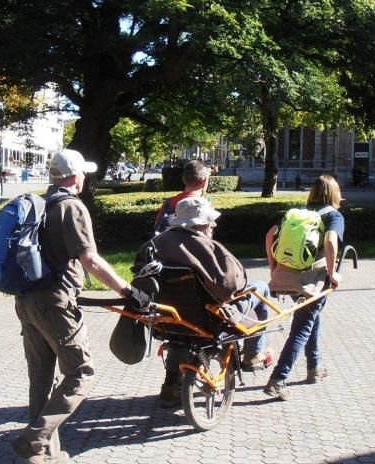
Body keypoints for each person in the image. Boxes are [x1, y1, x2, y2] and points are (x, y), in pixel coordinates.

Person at [11, 149, 141, 464]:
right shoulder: (71, 207)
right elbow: (91, 260)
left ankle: (41, 455)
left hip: (26, 300)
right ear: (74, 176)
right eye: (83, 172)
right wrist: (126, 289)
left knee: (41, 376)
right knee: (81, 372)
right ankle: (34, 439)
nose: (85, 177)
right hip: (55, 303)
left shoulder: (39, 204)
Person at [135, 197, 272, 408]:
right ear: (201, 223)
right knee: (261, 286)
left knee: (181, 330)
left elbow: (138, 275)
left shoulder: (153, 244)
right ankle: (253, 354)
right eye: (211, 221)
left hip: (167, 317)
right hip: (208, 318)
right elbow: (232, 286)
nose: (214, 225)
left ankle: (171, 385)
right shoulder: (207, 247)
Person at [263, 175, 345, 401]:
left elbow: (270, 236)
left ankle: (314, 367)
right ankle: (278, 379)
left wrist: (274, 268)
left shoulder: (297, 213)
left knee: (311, 318)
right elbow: (330, 242)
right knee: (302, 327)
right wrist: (332, 273)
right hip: (312, 281)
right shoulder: (333, 216)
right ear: (335, 194)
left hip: (287, 277)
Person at [153, 159, 210, 234]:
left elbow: (157, 229)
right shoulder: (205, 205)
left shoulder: (168, 204)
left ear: (184, 179)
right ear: (204, 181)